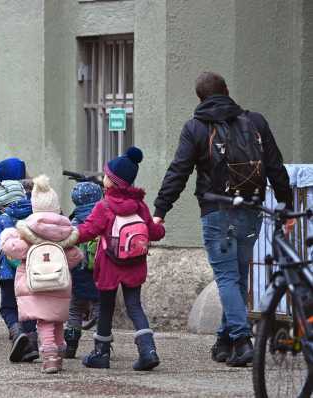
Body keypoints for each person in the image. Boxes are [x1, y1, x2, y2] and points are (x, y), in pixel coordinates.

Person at [153, 72, 293, 367]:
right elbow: (275, 165)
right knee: (239, 277)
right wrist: (285, 204)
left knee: (228, 277)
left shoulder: (195, 128)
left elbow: (179, 171)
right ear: (227, 91)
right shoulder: (255, 122)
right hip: (252, 211)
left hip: (217, 212)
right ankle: (225, 340)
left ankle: (242, 341)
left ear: (200, 98)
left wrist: (160, 210)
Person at [75, 147, 165, 371]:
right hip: (135, 264)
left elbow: (88, 230)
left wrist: (69, 237)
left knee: (106, 307)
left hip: (109, 266)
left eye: (106, 175)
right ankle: (148, 350)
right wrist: (159, 226)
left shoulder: (104, 206)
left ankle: (101, 353)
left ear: (113, 182)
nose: (103, 178)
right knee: (135, 306)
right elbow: (154, 232)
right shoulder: (140, 206)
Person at [0, 175, 83, 374]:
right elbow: (75, 257)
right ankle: (60, 355)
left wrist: (7, 237)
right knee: (57, 320)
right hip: (60, 283)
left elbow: (15, 250)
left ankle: (50, 358)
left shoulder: (28, 228)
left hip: (35, 283)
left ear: (35, 205)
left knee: (44, 322)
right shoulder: (65, 230)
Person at [0, 158, 40, 363]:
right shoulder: (36, 214)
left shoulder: (3, 219)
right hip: (33, 268)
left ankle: (16, 333)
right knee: (30, 306)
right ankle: (31, 342)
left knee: (8, 307)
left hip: (8, 272)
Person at [65, 180, 103, 358]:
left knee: (75, 310)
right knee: (102, 309)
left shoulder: (73, 222)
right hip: (101, 273)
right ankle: (101, 346)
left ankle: (71, 347)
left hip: (78, 274)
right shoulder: (103, 219)